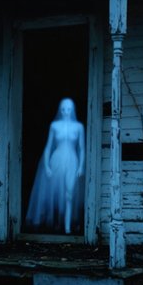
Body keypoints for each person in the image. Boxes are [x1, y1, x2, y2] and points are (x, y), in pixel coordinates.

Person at [25, 98, 85, 234]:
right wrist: (46, 165)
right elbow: (48, 146)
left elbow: (82, 147)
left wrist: (81, 166)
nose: (66, 112)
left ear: (72, 110)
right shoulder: (54, 126)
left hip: (72, 161)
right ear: (60, 109)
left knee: (69, 194)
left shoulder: (78, 127)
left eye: (69, 109)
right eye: (63, 109)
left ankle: (68, 227)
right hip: (56, 159)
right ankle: (57, 223)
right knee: (56, 193)